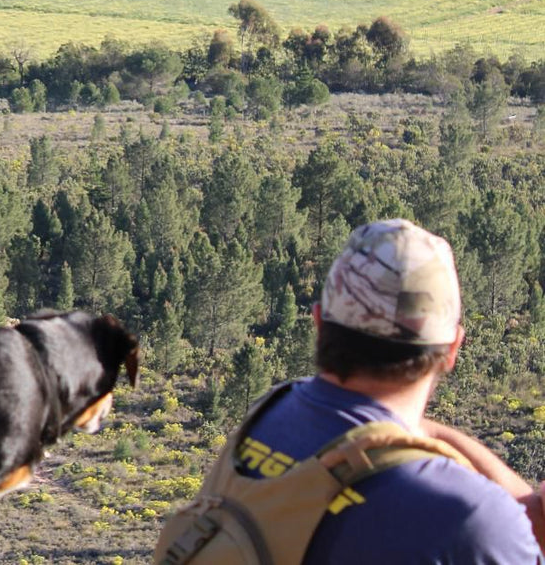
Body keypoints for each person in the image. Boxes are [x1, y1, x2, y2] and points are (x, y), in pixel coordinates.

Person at [158, 218, 544, 565]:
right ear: (452, 350)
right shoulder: (469, 522)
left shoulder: (269, 412)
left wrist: (519, 507)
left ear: (319, 323)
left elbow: (395, 433)